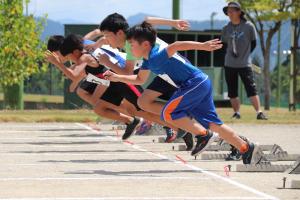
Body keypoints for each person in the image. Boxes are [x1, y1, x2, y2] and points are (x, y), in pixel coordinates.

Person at [104, 22, 262, 165]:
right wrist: (117, 77)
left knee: (169, 112)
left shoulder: (157, 55)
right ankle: (245, 147)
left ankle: (203, 135)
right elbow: (139, 79)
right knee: (214, 124)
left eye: (131, 45)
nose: (129, 49)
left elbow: (177, 45)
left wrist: (203, 45)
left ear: (145, 44)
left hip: (195, 83)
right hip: (198, 84)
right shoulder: (147, 61)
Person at [45, 34, 181, 141]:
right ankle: (134, 121)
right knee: (104, 107)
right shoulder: (81, 53)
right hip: (112, 80)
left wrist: (57, 64)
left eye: (59, 55)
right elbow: (78, 74)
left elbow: (75, 75)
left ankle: (177, 125)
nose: (59, 57)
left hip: (121, 76)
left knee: (144, 108)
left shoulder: (84, 55)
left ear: (71, 51)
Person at [91, 13, 195, 150]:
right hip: (164, 74)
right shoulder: (135, 34)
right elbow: (148, 20)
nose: (106, 39)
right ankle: (179, 123)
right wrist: (173, 23)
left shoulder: (130, 43)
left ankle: (181, 123)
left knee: (144, 107)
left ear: (120, 33)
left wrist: (108, 62)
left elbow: (128, 72)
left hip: (176, 73)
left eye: (107, 35)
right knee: (143, 105)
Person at [221, 1, 267, 120]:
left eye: (232, 11)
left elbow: (253, 43)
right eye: (228, 11)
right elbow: (224, 44)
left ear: (239, 12)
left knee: (251, 88)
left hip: (245, 63)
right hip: (229, 63)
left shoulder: (248, 26)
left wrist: (244, 55)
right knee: (232, 90)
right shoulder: (226, 28)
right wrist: (231, 55)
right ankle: (237, 113)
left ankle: (259, 112)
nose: (229, 13)